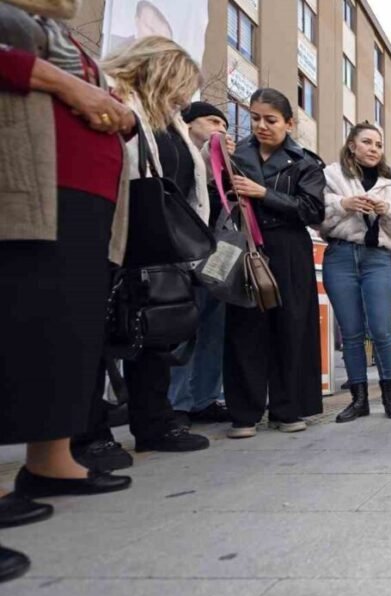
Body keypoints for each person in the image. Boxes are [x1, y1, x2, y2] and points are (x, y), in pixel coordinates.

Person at [0, 1, 136, 582]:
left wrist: (120, 116)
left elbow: (111, 106)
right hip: (29, 191)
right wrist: (66, 86)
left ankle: (52, 461)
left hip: (81, 199)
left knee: (66, 330)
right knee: (19, 325)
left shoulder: (65, 37)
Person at [71, 37, 212, 457]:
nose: (187, 97)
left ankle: (154, 423)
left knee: (154, 331)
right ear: (161, 72)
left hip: (159, 242)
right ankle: (89, 433)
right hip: (112, 233)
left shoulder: (172, 123)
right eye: (183, 84)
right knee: (99, 335)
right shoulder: (115, 99)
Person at [224, 88, 325, 437]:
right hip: (247, 245)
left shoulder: (305, 162)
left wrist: (264, 193)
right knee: (245, 328)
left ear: (289, 123)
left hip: (289, 249)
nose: (262, 126)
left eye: (271, 120)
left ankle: (288, 408)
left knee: (291, 328)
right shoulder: (235, 156)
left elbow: (313, 211)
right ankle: (244, 412)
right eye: (255, 118)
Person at [320, 121, 391, 422]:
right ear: (352, 145)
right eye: (367, 142)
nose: (373, 149)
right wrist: (345, 203)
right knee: (352, 332)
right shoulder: (332, 175)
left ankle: (390, 395)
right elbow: (318, 218)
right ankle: (358, 399)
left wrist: (386, 212)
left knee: (381, 329)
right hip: (340, 256)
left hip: (378, 258)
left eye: (379, 145)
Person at [168, 101, 235, 426]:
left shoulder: (226, 166)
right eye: (212, 121)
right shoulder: (175, 152)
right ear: (189, 123)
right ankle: (176, 404)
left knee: (213, 329)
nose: (220, 129)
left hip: (217, 255)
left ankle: (206, 398)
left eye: (224, 125)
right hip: (181, 254)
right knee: (181, 329)